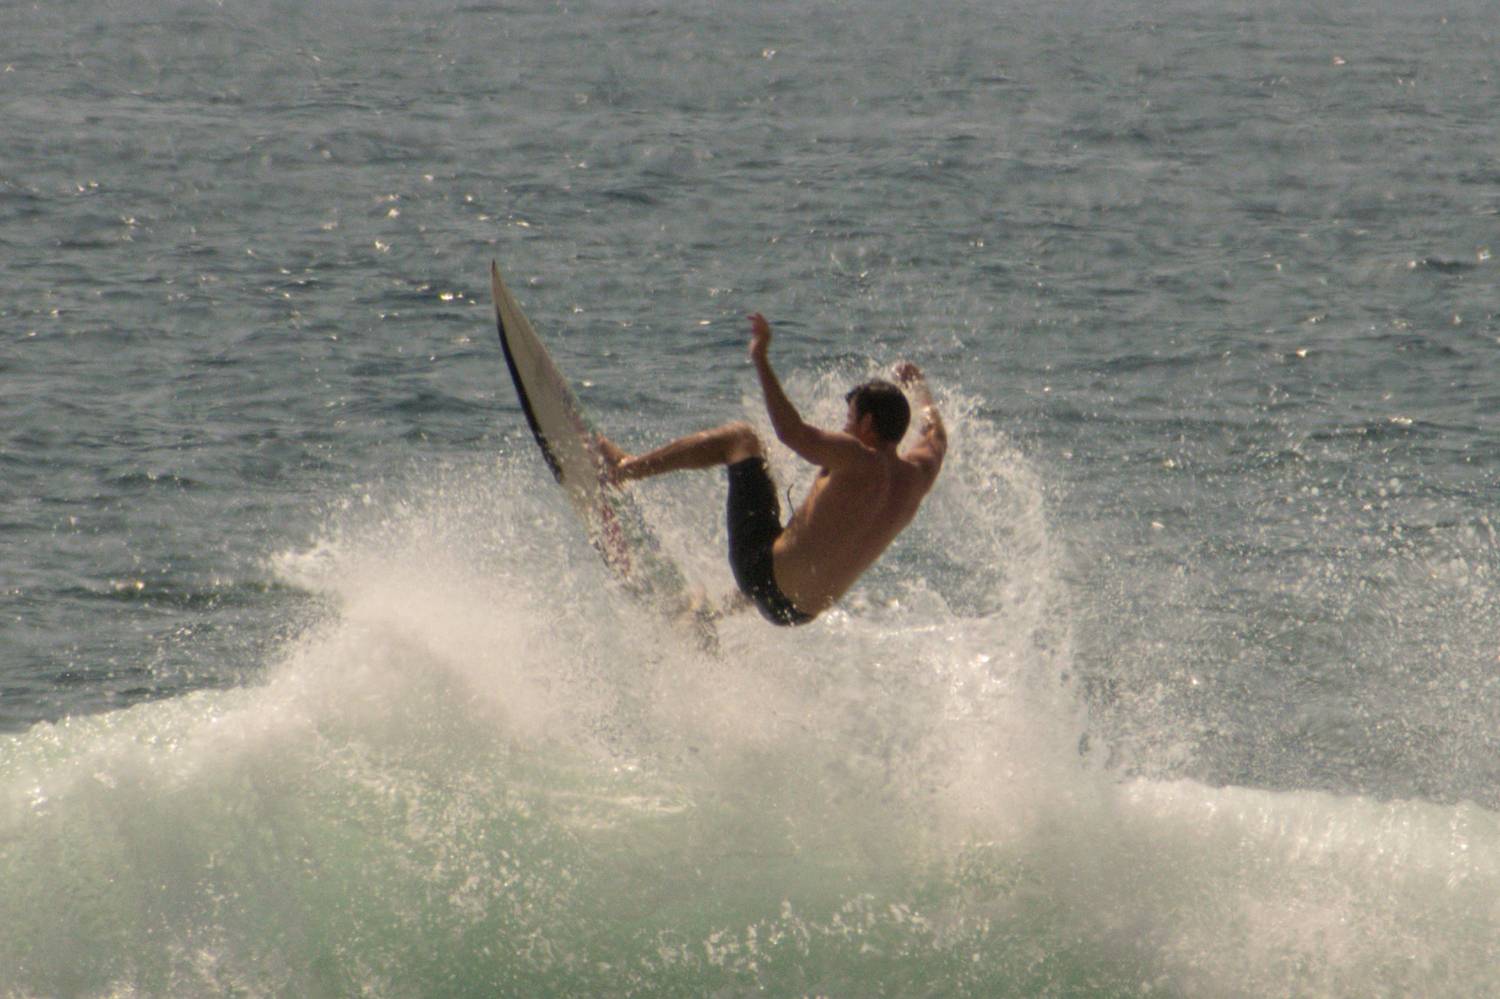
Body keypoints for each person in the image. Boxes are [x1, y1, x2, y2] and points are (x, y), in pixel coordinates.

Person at [599, 312, 946, 626]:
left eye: (849, 418)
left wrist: (760, 358)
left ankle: (626, 468)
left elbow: (791, 432)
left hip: (761, 575)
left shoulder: (857, 456)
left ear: (868, 424)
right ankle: (712, 615)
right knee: (800, 539)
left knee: (741, 438)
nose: (844, 427)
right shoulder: (918, 476)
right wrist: (919, 388)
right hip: (798, 614)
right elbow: (936, 434)